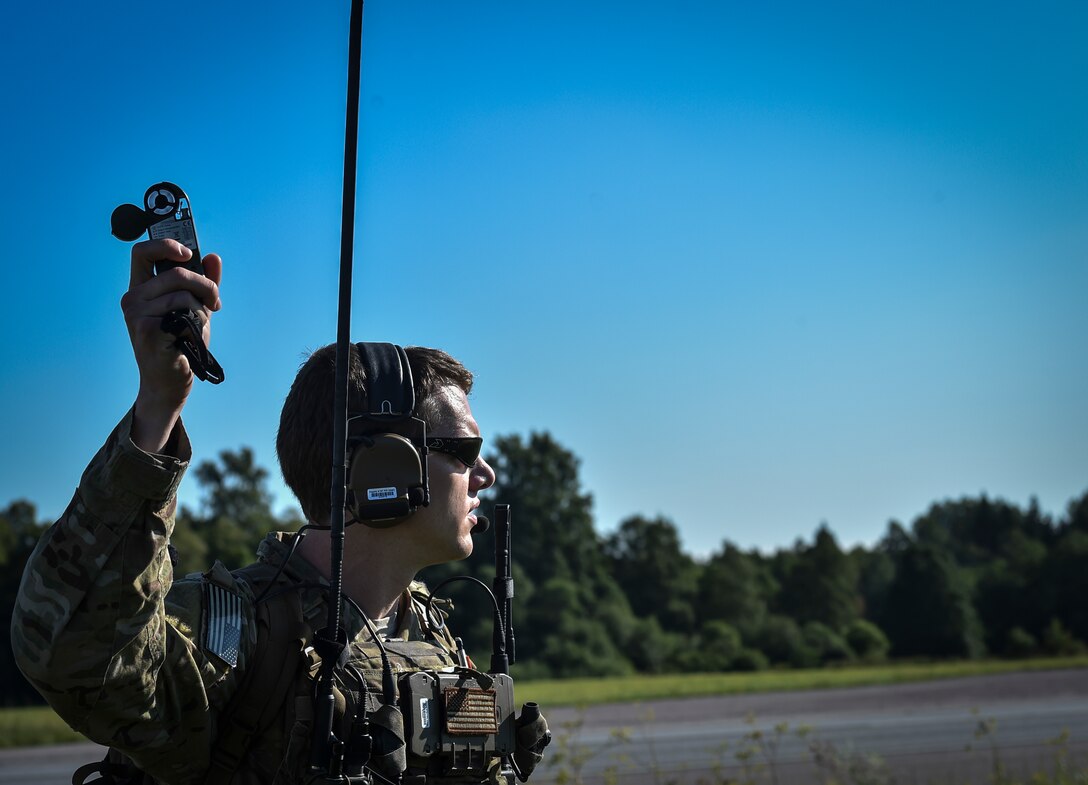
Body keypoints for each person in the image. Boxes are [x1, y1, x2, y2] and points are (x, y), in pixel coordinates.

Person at [12, 239, 544, 784]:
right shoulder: (236, 634)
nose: (487, 475)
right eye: (465, 451)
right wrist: (158, 405)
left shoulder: (435, 635)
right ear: (386, 466)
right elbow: (72, 649)